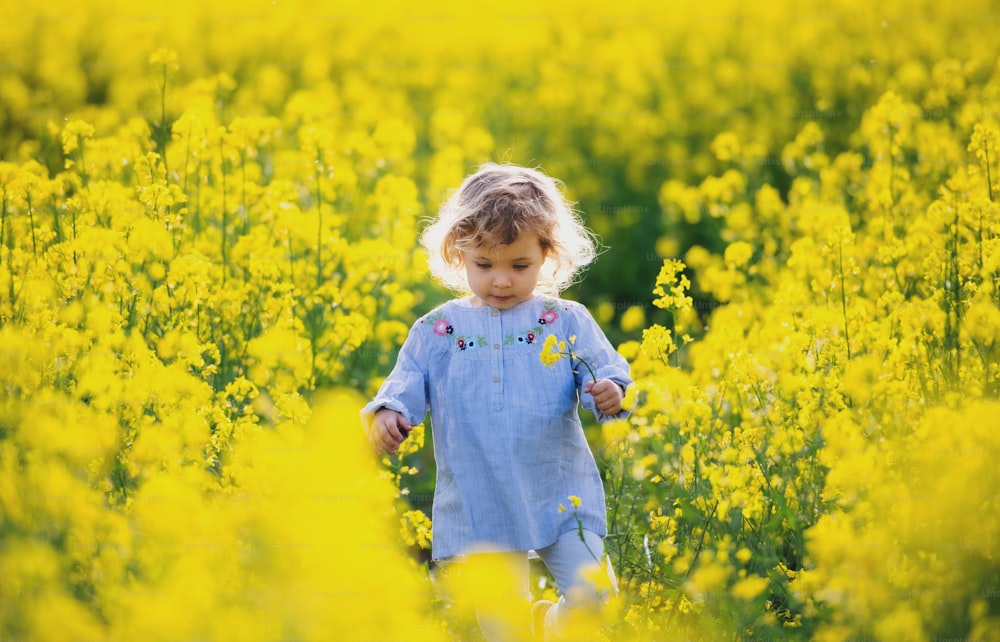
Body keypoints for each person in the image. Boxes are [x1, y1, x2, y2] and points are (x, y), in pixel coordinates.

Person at [361, 162, 633, 640]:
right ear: (457, 254)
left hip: (559, 491)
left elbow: (608, 376)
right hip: (480, 500)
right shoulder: (437, 329)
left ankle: (549, 625)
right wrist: (389, 414)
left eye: (519, 266)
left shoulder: (565, 319)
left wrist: (611, 394)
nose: (501, 281)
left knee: (596, 602)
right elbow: (405, 383)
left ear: (548, 255)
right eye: (484, 266)